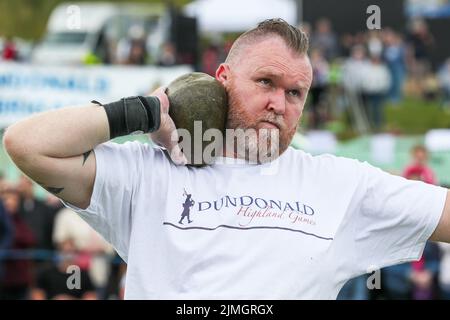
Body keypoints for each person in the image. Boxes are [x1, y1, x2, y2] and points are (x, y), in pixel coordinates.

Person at [3, 19, 450, 299]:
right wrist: (146, 112)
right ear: (223, 79)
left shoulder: (341, 184)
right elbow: (27, 143)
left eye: (295, 92)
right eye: (265, 82)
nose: (280, 102)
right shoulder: (146, 173)